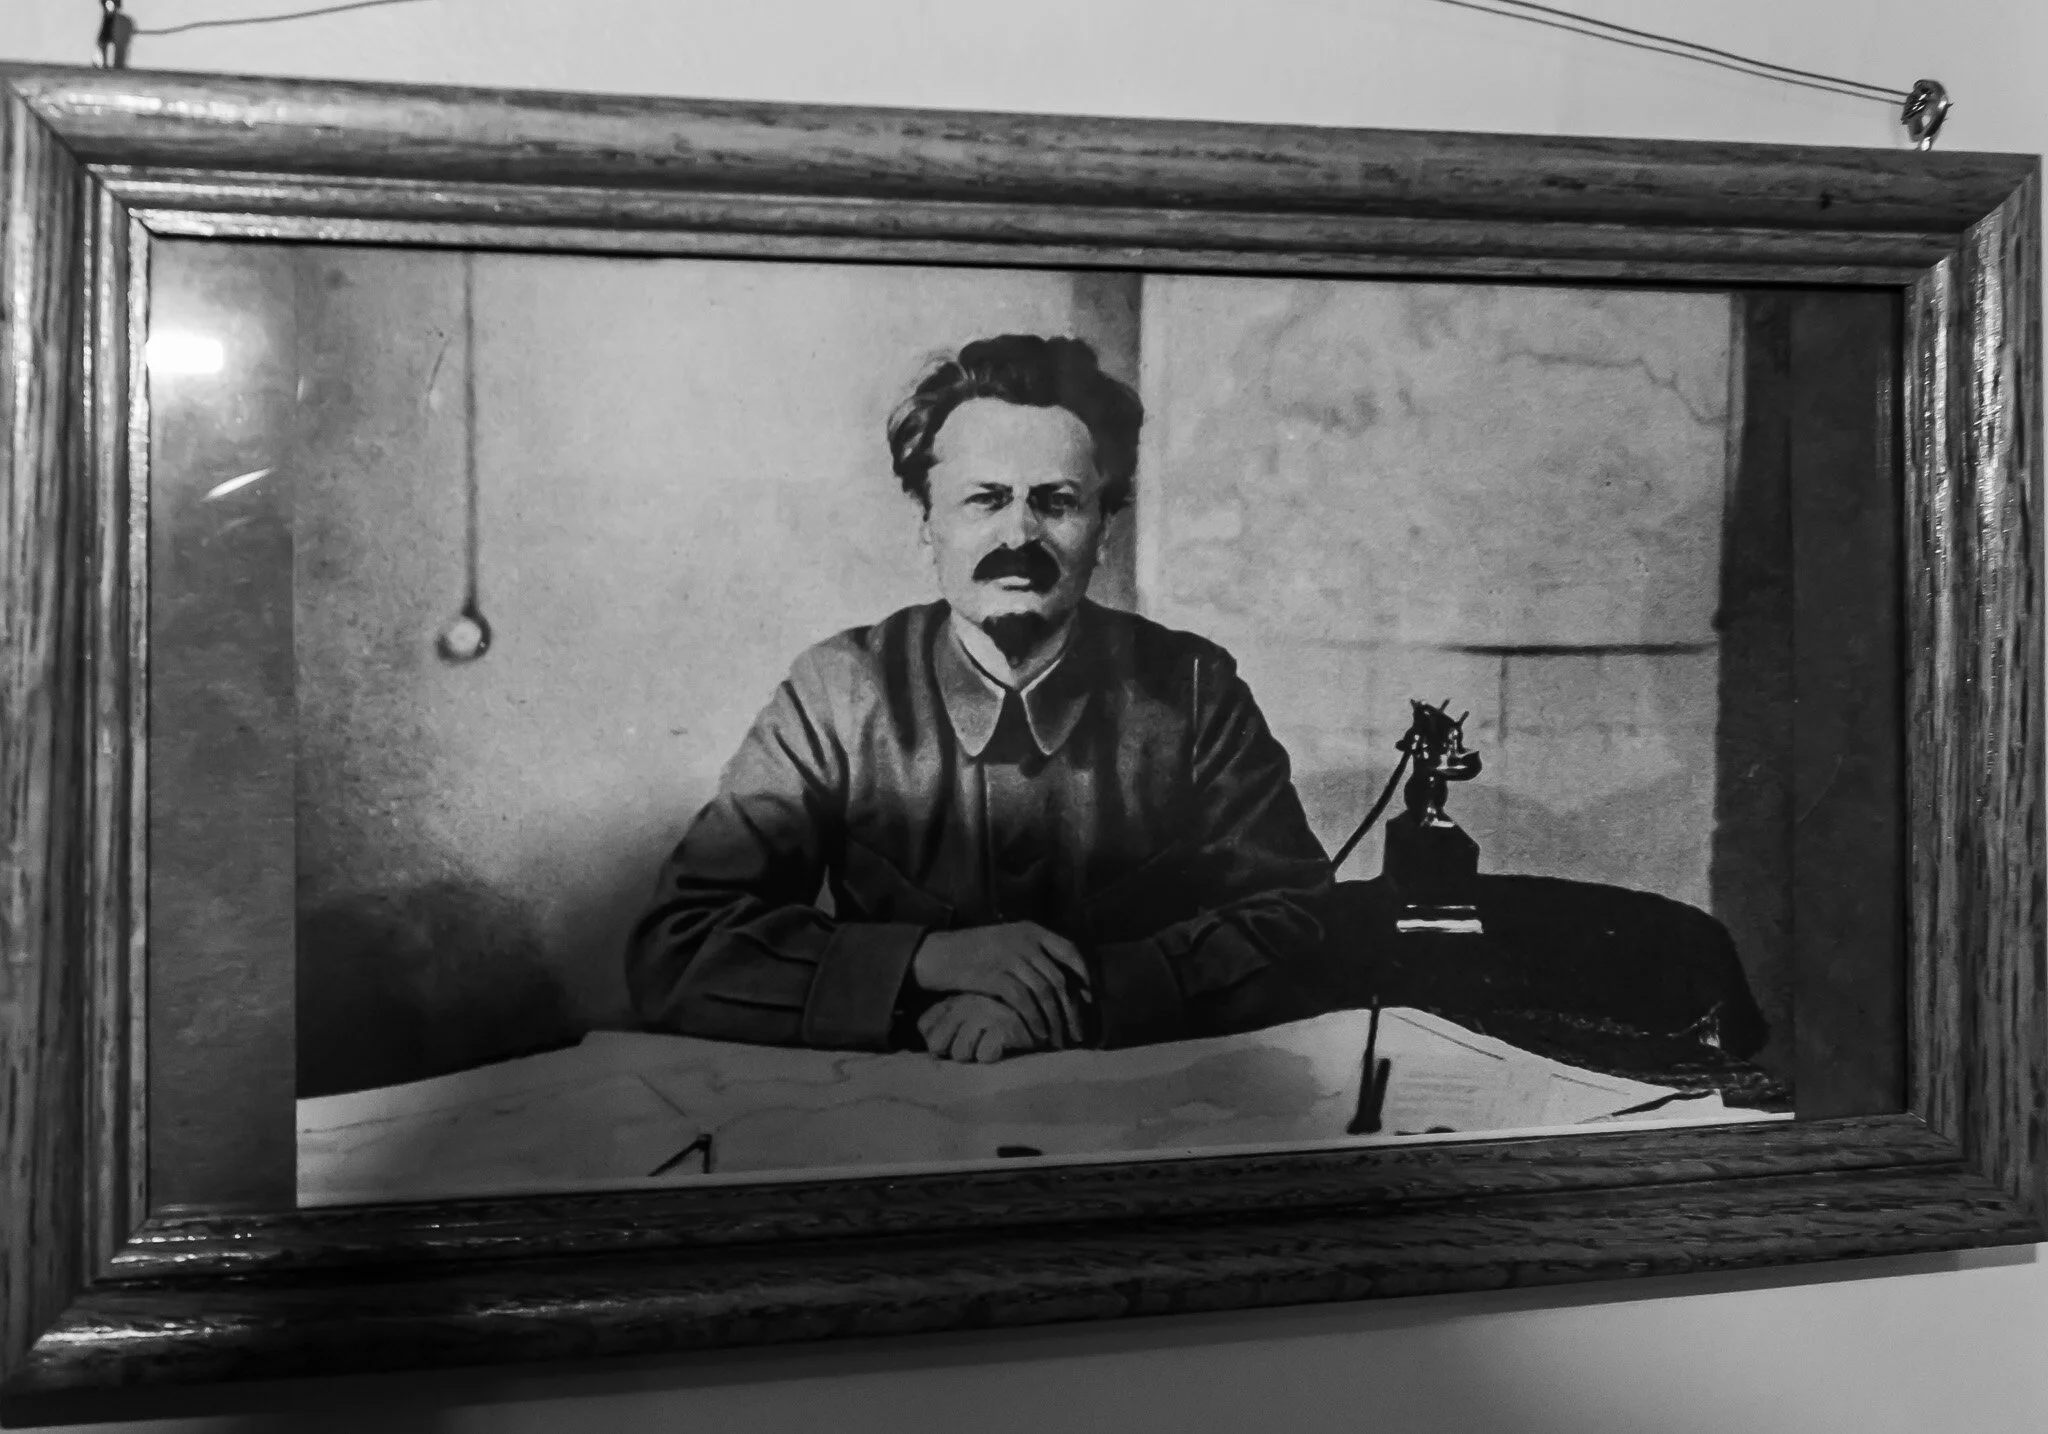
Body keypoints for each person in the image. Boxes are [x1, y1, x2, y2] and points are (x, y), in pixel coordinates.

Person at [627, 334, 1333, 1062]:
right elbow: (678, 946)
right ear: (927, 524)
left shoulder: (1194, 690)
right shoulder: (839, 692)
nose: (1019, 533)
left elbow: (1303, 925)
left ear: (1104, 530)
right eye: (985, 500)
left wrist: (1084, 997)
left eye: (1057, 502)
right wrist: (926, 963)